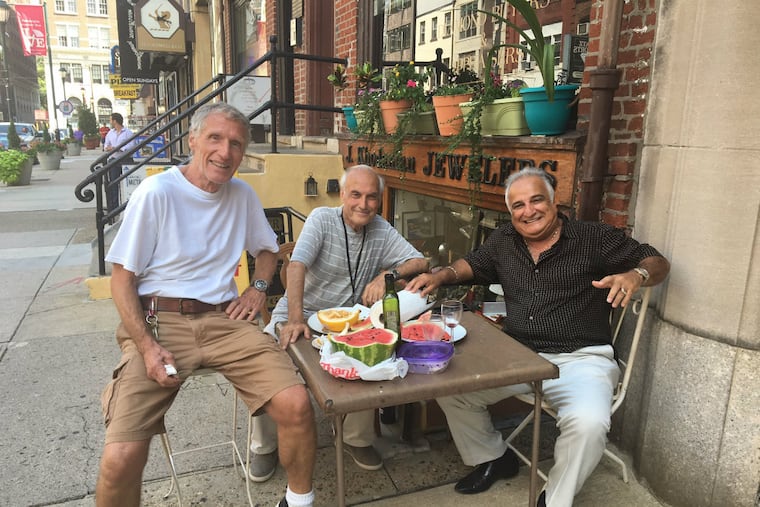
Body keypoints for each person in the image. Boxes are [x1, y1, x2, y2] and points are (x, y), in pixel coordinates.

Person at [406, 167, 670, 507]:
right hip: (519, 357)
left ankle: (555, 499)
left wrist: (637, 274)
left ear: (554, 202)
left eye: (536, 200)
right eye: (518, 205)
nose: (528, 211)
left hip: (582, 358)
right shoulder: (504, 240)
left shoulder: (593, 238)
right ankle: (495, 459)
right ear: (510, 212)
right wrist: (441, 275)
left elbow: (657, 261)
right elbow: (473, 263)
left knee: (588, 424)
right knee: (450, 389)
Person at [95, 102, 317, 507]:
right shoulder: (157, 191)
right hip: (158, 321)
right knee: (122, 453)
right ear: (192, 139)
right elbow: (122, 280)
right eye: (215, 138)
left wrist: (258, 288)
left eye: (235, 143)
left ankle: (300, 502)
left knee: (297, 403)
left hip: (223, 319)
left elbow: (267, 252)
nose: (225, 152)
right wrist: (146, 346)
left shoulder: (242, 195)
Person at [248, 164, 429, 481]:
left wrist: (387, 275)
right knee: (264, 367)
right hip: (301, 315)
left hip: (350, 323)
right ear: (343, 195)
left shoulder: (381, 229)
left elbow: (420, 260)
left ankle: (355, 439)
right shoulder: (321, 218)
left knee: (368, 364)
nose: (364, 204)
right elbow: (297, 265)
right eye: (356, 194)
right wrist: (293, 319)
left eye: (372, 197)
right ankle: (263, 446)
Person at [103, 113, 137, 215]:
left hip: (125, 159)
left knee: (130, 183)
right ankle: (114, 208)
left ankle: (130, 205)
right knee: (113, 184)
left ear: (115, 121)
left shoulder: (127, 132)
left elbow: (131, 145)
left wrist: (118, 149)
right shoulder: (110, 133)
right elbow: (106, 145)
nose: (110, 122)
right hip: (113, 159)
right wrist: (110, 148)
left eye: (111, 120)